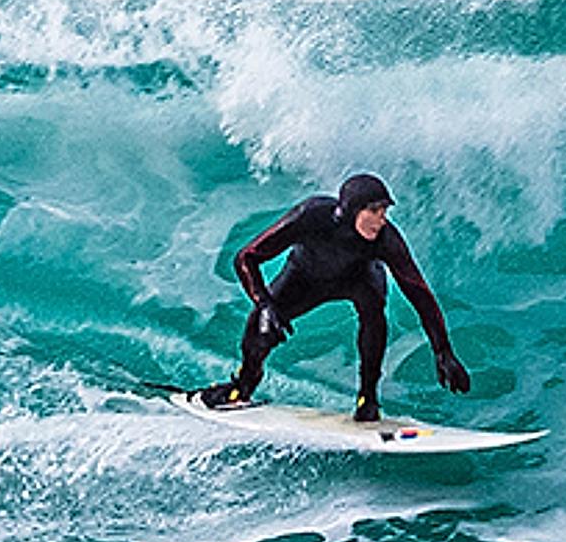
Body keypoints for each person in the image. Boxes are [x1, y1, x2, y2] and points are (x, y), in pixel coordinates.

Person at [197, 171, 472, 423]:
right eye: (374, 211)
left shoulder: (386, 240)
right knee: (260, 325)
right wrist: (265, 304)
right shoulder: (311, 215)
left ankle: (368, 398)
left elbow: (419, 294)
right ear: (352, 210)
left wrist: (442, 351)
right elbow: (246, 257)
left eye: (385, 211)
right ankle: (242, 387)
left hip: (357, 280)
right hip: (304, 277)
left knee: (374, 310)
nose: (382, 220)